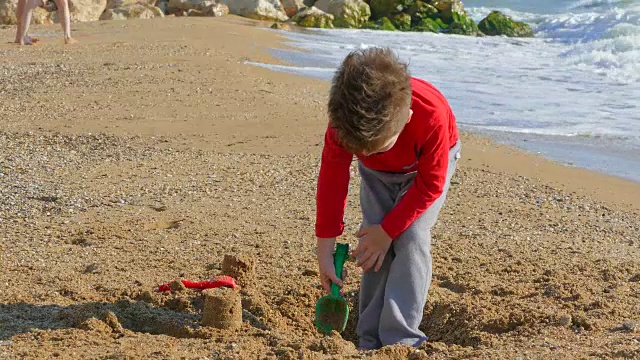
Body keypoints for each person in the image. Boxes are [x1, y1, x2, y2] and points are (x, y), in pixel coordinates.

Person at [315, 47, 461, 350]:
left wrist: (389, 231)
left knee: (410, 237)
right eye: (360, 151)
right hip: (378, 176)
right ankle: (368, 337)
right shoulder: (346, 123)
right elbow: (333, 178)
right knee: (373, 240)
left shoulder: (430, 115)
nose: (366, 154)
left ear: (406, 118)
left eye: (377, 148)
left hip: (426, 170)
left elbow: (431, 184)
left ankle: (401, 339)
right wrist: (325, 249)